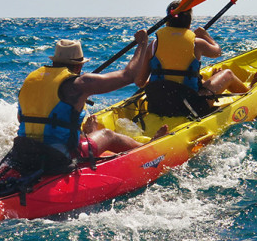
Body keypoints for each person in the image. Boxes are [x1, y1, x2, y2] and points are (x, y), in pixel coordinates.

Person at [9, 32, 164, 176]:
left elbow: (21, 118)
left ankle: (88, 134)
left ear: (55, 61)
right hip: (56, 159)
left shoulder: (30, 81)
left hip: (22, 153)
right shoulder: (79, 84)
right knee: (108, 135)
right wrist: (142, 44)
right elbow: (129, 76)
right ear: (78, 66)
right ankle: (147, 148)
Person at [133, 0, 255, 118]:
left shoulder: (153, 45)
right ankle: (248, 91)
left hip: (157, 106)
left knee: (191, 80)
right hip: (190, 107)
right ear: (189, 23)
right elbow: (217, 52)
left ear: (167, 22)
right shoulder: (197, 43)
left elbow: (140, 82)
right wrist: (205, 36)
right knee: (227, 74)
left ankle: (207, 82)